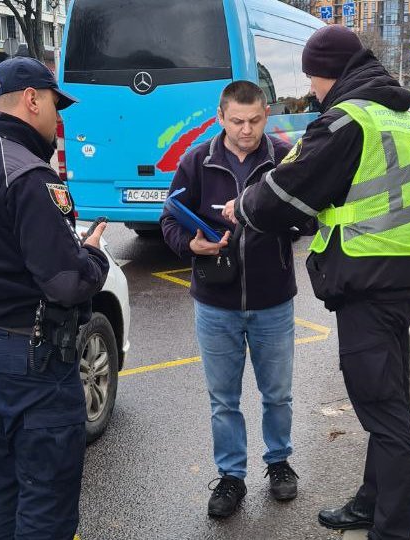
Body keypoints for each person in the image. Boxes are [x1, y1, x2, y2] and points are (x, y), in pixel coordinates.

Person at [221, 25, 410, 540]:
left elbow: (282, 193)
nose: (313, 90)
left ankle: (390, 530)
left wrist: (240, 205)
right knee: (389, 401)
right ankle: (371, 503)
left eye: (313, 79)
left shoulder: (346, 120)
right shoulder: (406, 121)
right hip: (398, 283)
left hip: (365, 287)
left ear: (329, 73)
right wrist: (398, 233)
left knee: (386, 416)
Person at [0, 57, 109, 539]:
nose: (59, 118)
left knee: (4, 487)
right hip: (38, 360)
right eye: (55, 104)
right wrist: (95, 258)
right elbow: (66, 281)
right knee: (46, 501)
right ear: (32, 99)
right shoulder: (31, 175)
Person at [160, 80, 305, 519]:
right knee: (223, 400)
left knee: (276, 393)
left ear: (267, 114)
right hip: (215, 302)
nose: (247, 130)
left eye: (256, 120)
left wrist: (282, 219)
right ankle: (231, 477)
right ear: (220, 117)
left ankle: (279, 464)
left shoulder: (283, 158)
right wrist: (191, 245)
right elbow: (169, 218)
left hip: (273, 299)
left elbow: (309, 216)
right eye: (238, 121)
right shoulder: (196, 160)